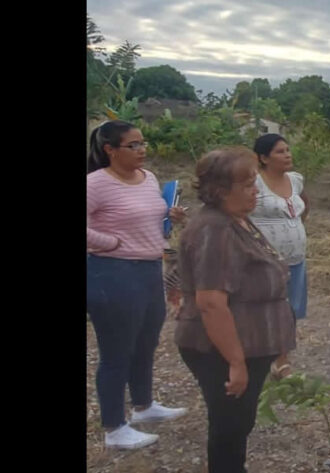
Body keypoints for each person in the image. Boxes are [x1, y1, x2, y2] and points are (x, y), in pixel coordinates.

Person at [174, 146, 297, 472]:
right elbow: (211, 303)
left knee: (238, 423)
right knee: (229, 427)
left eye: (254, 182)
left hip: (246, 345)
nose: (256, 190)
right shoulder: (214, 230)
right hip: (220, 350)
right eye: (247, 185)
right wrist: (236, 362)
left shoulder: (237, 220)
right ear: (220, 190)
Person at [86, 120, 187, 450]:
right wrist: (107, 242)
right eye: (133, 145)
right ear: (110, 150)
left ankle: (143, 405)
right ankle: (114, 427)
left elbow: (149, 218)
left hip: (149, 268)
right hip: (112, 273)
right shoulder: (96, 184)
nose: (142, 150)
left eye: (143, 143)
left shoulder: (149, 178)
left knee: (146, 341)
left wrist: (170, 216)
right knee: (117, 351)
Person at [250, 134, 310, 379]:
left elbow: (304, 206)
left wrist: (294, 228)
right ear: (264, 158)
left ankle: (282, 359)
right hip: (263, 262)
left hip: (295, 259)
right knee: (264, 310)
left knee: (289, 311)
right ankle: (259, 358)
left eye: (288, 150)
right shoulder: (254, 182)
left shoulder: (295, 180)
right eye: (280, 151)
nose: (287, 155)